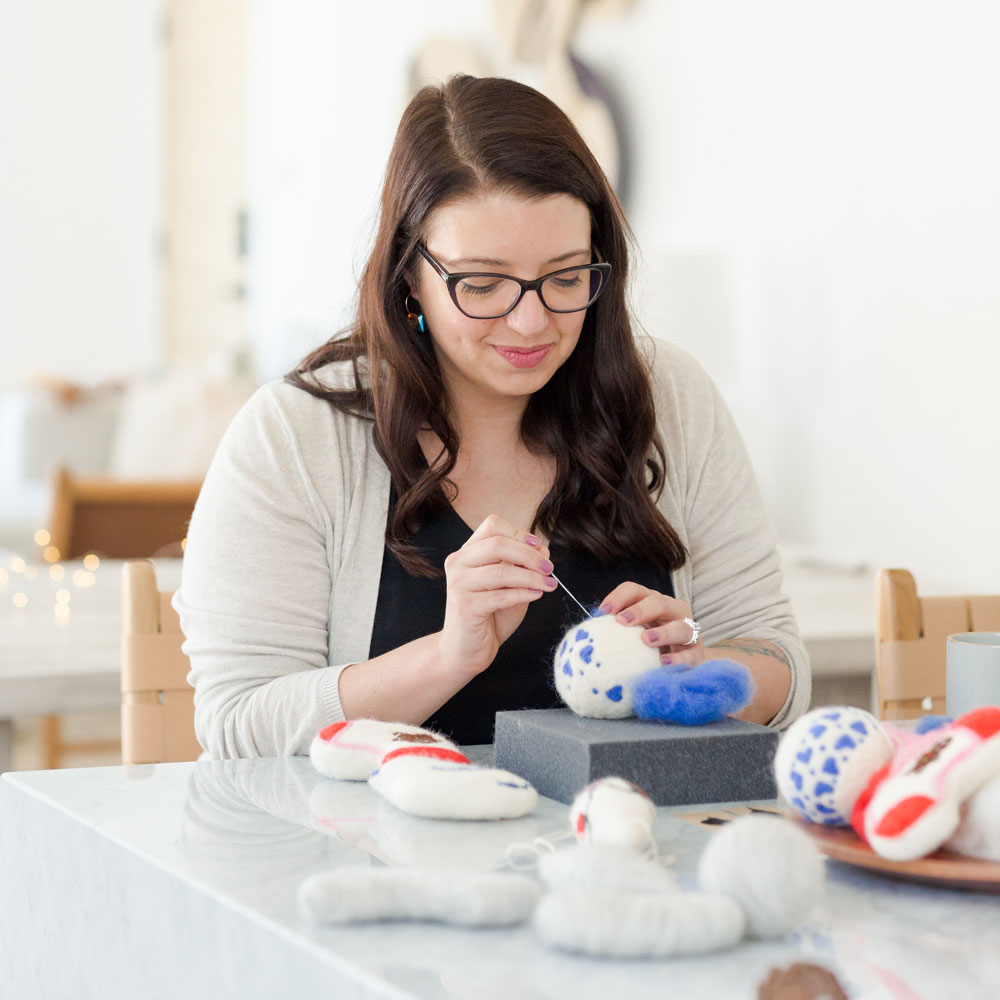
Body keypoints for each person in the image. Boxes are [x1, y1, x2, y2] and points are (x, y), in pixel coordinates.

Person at [174, 75, 810, 759]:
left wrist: (702, 672)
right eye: (482, 284)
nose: (532, 320)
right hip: (377, 857)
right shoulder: (296, 436)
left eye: (566, 277)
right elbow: (239, 725)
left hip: (634, 851)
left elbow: (779, 662)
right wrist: (449, 656)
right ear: (409, 275)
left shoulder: (670, 400)